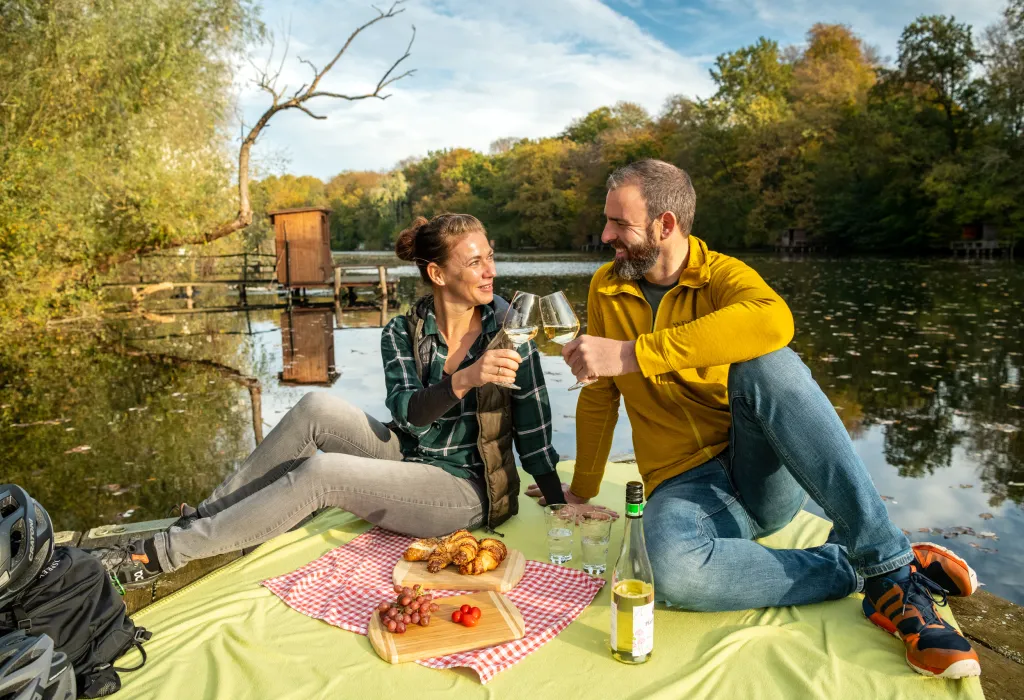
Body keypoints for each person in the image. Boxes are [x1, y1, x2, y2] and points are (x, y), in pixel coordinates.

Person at [528, 159, 981, 680]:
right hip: (682, 487)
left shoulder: (721, 274)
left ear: (666, 225)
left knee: (769, 361)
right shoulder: (607, 287)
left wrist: (634, 354)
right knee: (666, 573)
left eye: (619, 224)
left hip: (759, 471)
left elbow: (775, 320)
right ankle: (855, 570)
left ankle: (891, 566)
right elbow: (599, 396)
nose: (605, 234)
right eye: (606, 221)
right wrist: (581, 489)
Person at [94, 213, 613, 588]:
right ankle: (205, 519)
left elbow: (534, 421)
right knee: (315, 408)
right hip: (408, 455)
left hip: (464, 487)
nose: (490, 271)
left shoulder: (510, 329)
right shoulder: (402, 332)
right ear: (437, 274)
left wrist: (557, 492)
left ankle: (163, 553)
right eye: (474, 261)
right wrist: (465, 378)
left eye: (490, 257)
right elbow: (410, 413)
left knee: (323, 474)